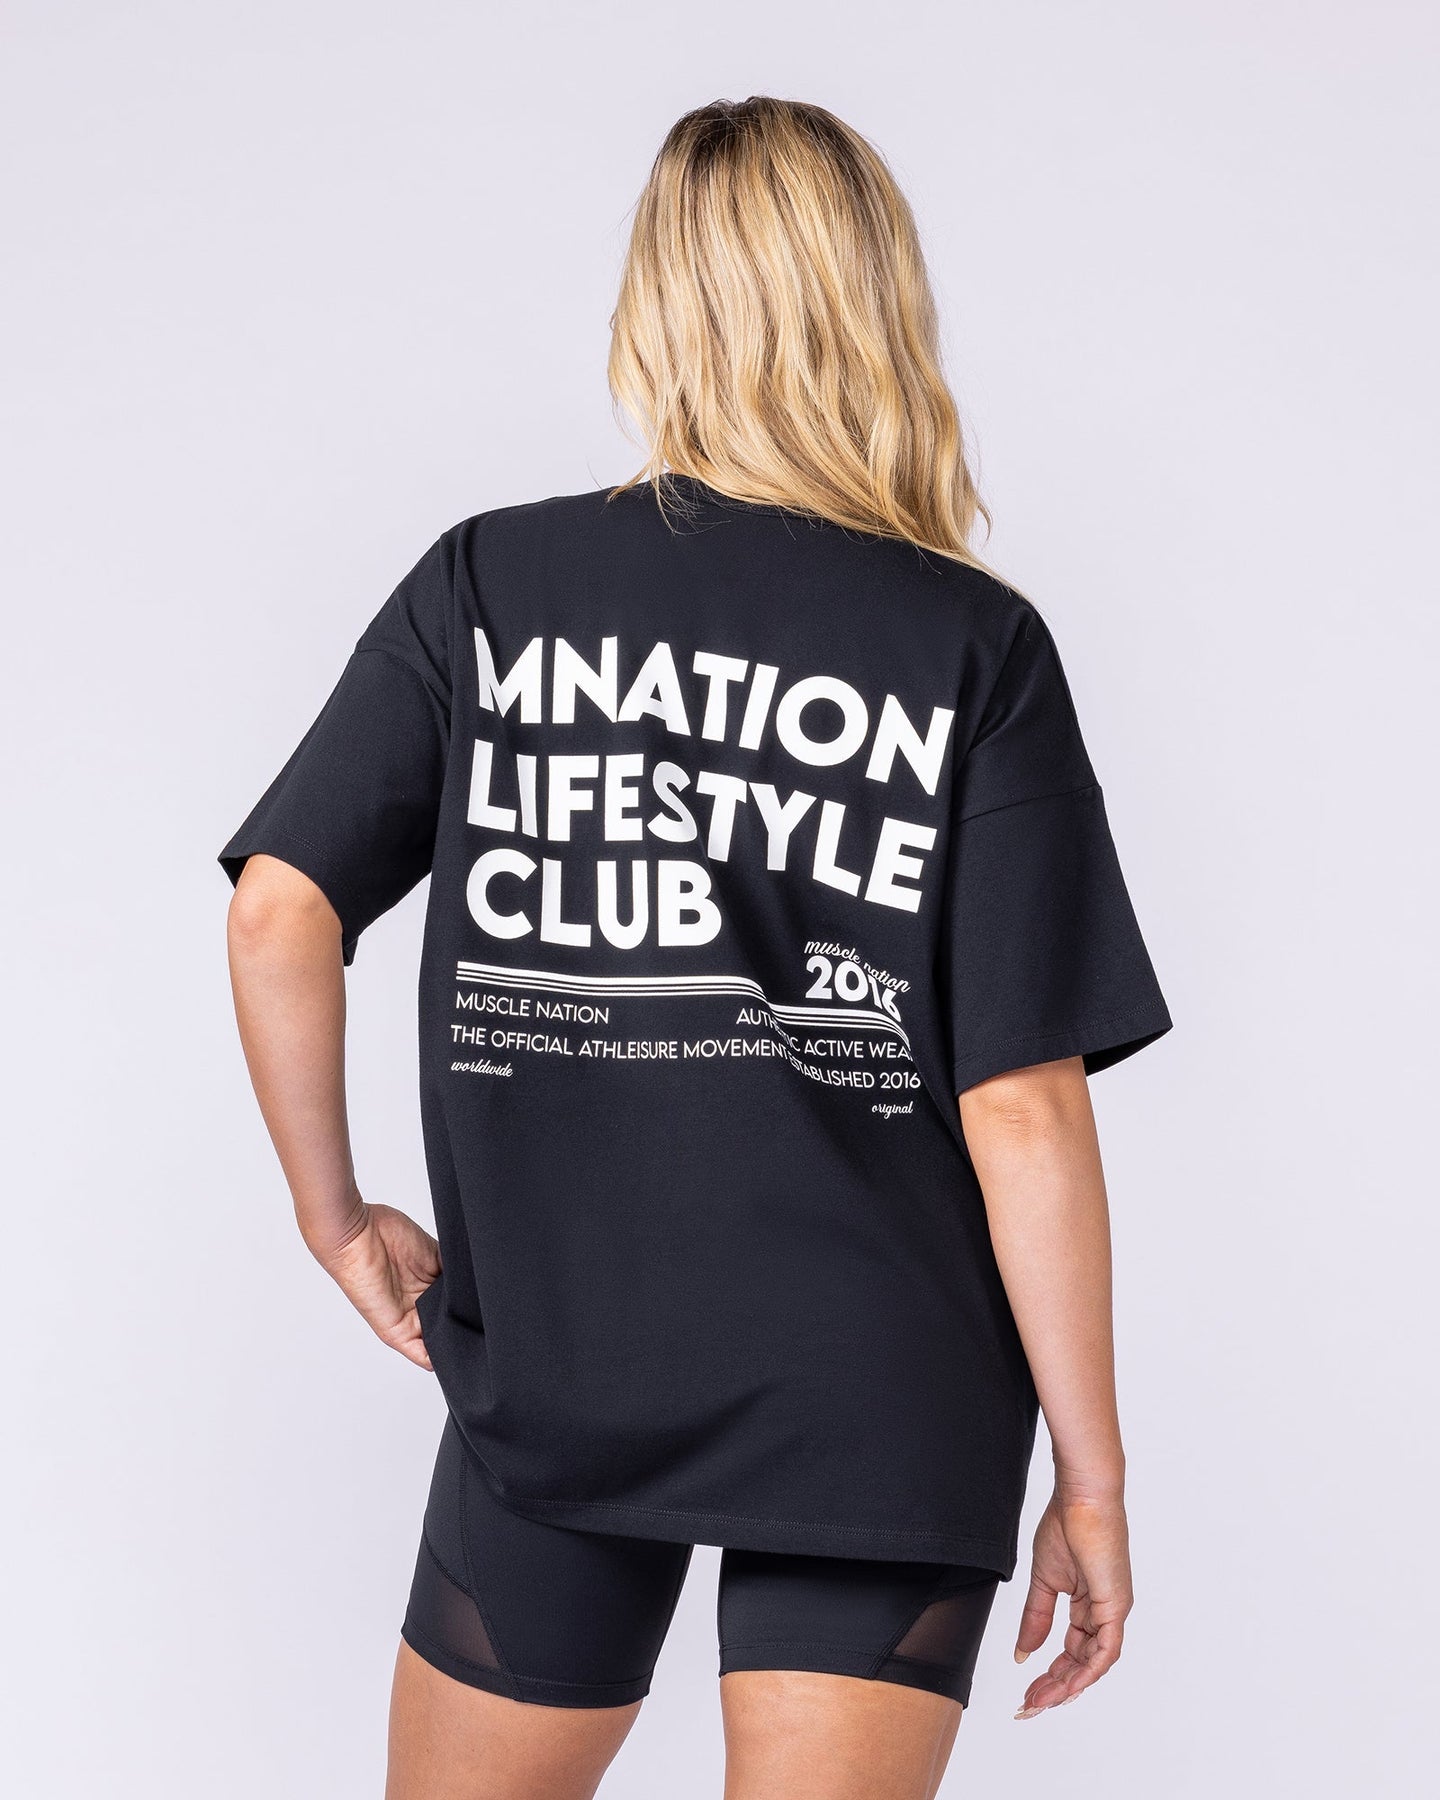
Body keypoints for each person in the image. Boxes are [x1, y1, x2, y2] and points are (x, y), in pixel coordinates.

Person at [218, 96, 1171, 1800]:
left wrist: (335, 1215)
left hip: (559, 1367)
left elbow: (281, 903)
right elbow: (1021, 1101)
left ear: (657, 306)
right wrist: (1090, 1483)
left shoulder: (490, 588)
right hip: (884, 1393)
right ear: (879, 306)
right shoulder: (971, 645)